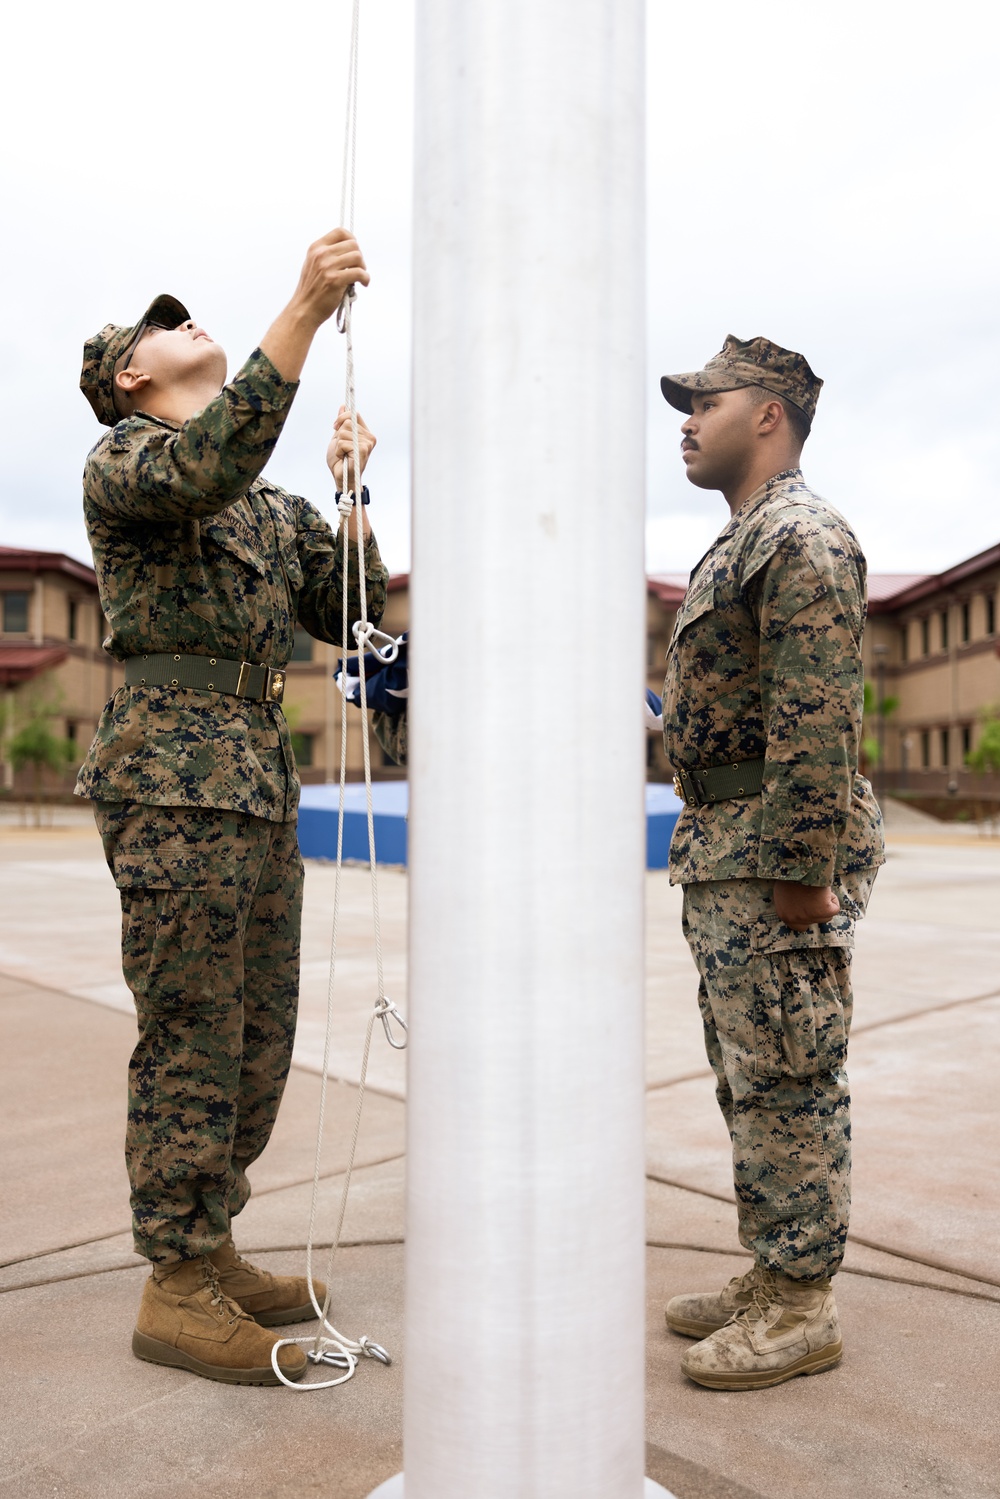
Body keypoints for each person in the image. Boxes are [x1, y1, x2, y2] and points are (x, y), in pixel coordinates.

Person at [77, 229, 389, 1386]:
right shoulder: (127, 461)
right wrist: (301, 309)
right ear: (130, 376)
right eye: (166, 324)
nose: (187, 321)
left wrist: (353, 495)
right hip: (173, 778)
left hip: (253, 777)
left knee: (259, 1030)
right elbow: (202, 465)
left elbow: (344, 602)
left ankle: (209, 1241)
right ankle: (173, 1280)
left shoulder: (266, 500)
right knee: (192, 1030)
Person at [657, 335, 883, 1391]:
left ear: (769, 414)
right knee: (749, 1074)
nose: (686, 420)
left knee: (790, 1074)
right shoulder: (743, 539)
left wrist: (804, 868)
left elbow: (816, 717)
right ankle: (772, 1268)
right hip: (727, 848)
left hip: (770, 855)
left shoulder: (799, 534)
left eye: (705, 401)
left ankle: (801, 1302)